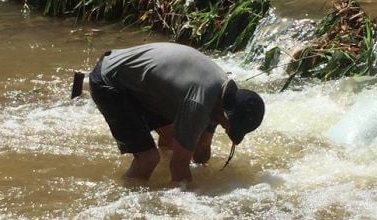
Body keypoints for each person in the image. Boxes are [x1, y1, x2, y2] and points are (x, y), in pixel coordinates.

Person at [89, 42, 265, 183]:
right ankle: (125, 199)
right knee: (148, 158)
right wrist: (193, 206)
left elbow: (201, 153)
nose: (227, 130)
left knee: (172, 139)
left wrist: (205, 169)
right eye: (229, 127)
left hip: (142, 84)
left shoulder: (220, 93)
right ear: (226, 114)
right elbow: (179, 167)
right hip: (111, 81)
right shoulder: (200, 102)